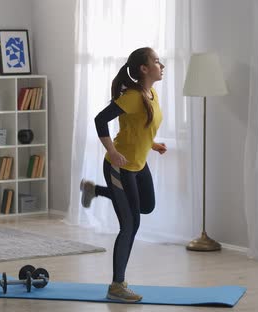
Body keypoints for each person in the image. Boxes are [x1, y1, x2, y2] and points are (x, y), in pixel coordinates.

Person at [80, 47, 167, 302]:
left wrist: (152, 144)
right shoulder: (132, 96)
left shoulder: (151, 93)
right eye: (157, 61)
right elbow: (100, 120)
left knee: (147, 206)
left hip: (138, 164)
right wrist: (112, 151)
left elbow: (137, 128)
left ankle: (94, 190)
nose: (161, 66)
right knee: (130, 224)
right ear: (144, 68)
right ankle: (117, 286)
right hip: (119, 166)